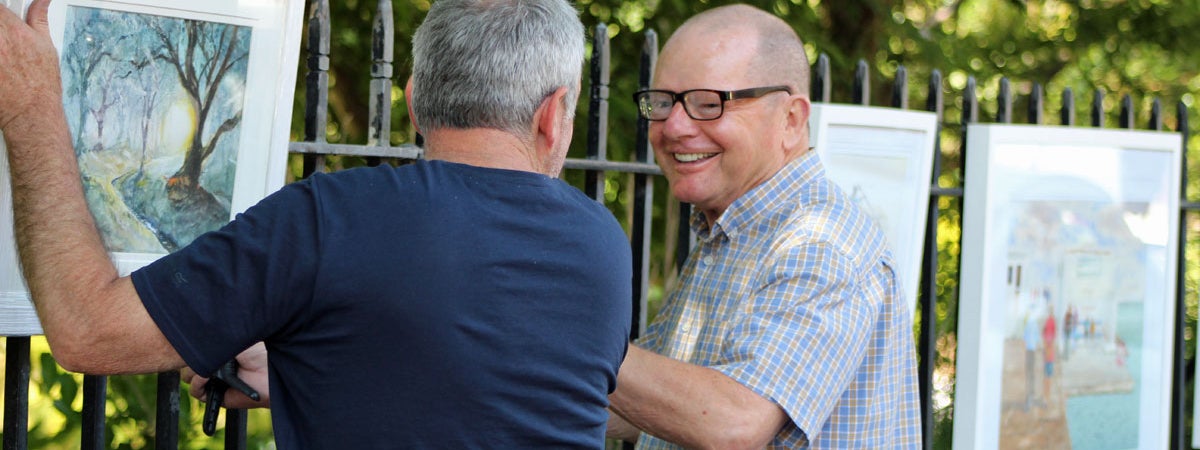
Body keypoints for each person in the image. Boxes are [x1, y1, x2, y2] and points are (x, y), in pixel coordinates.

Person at [0, 0, 633, 447]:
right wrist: (314, 373)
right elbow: (485, 392)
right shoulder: (602, 243)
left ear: (412, 100)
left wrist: (30, 107)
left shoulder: (334, 218)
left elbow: (88, 332)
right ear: (555, 115)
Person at [604, 5, 921, 448]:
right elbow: (640, 400)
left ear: (791, 119)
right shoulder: (730, 233)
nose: (673, 126)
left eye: (708, 103)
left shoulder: (820, 241)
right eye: (662, 102)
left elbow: (733, 421)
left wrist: (573, 336)